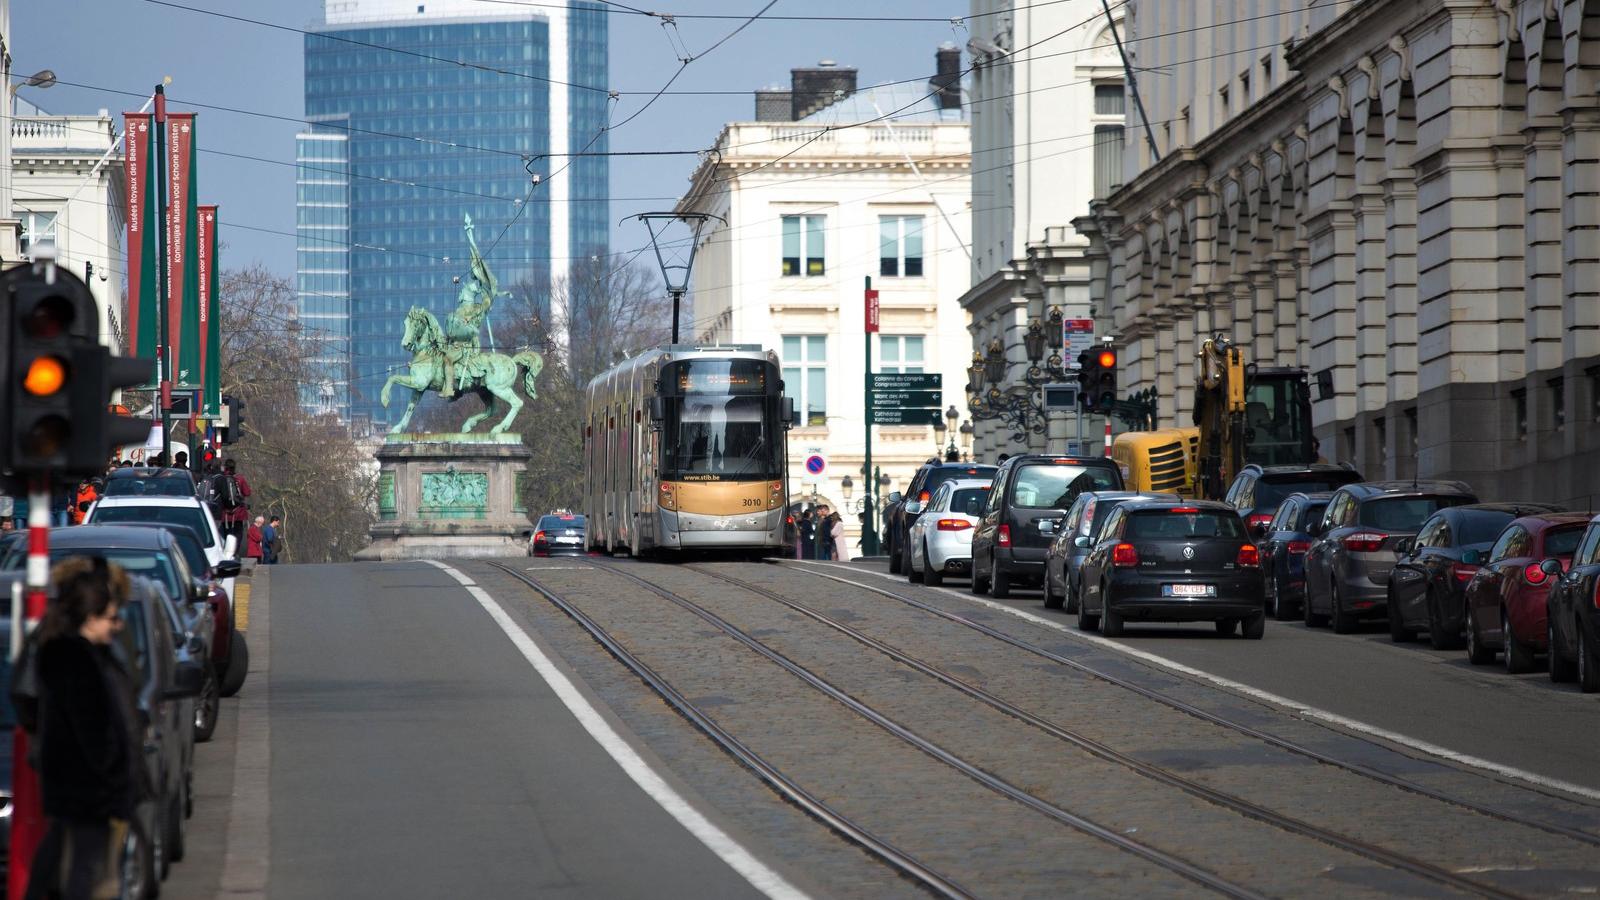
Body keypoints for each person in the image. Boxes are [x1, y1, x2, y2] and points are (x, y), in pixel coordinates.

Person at [26, 557, 140, 900]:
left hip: (84, 790)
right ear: (89, 617)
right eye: (110, 617)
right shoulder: (76, 661)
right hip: (89, 790)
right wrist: (111, 778)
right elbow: (92, 729)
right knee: (84, 870)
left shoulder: (85, 654)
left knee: (67, 862)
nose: (116, 625)